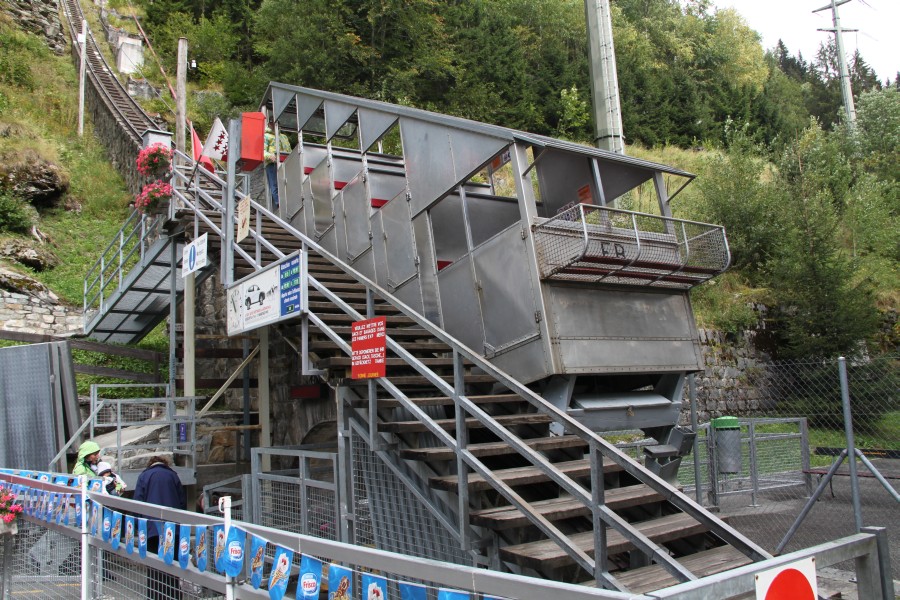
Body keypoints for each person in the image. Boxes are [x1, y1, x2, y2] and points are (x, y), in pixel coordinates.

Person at [133, 456, 186, 600]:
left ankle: (155, 596)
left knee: (154, 565)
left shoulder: (144, 476)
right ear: (165, 464)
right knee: (172, 564)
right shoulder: (173, 476)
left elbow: (138, 502)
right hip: (172, 528)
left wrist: (139, 526)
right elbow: (182, 502)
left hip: (151, 528)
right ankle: (173, 596)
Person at [263, 124, 290, 210]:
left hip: (285, 161)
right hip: (272, 163)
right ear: (269, 124)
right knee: (274, 183)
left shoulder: (284, 137)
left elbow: (289, 150)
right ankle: (279, 203)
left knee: (286, 183)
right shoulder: (266, 136)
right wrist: (269, 156)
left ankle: (288, 202)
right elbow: (262, 151)